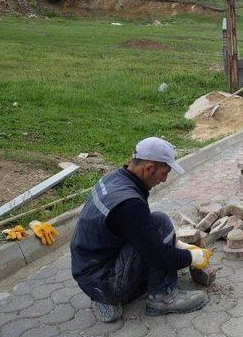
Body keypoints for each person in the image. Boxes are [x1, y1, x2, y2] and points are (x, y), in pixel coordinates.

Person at [71, 137, 212, 323]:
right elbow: (158, 255)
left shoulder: (114, 179)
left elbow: (138, 230)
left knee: (158, 221)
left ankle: (104, 297)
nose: (164, 179)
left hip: (90, 271)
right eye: (164, 173)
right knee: (159, 233)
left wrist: (179, 245)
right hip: (104, 280)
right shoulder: (129, 204)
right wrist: (193, 257)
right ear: (149, 169)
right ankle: (162, 298)